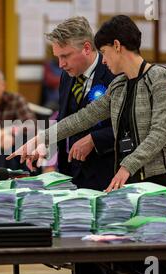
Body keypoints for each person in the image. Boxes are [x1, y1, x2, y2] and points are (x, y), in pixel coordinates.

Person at [9, 15, 166, 274]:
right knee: (133, 266)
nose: (103, 60)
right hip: (131, 183)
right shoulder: (119, 84)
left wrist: (126, 166)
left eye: (104, 52)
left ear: (117, 46)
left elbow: (161, 133)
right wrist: (41, 138)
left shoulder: (159, 77)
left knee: (161, 265)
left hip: (158, 180)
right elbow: (82, 118)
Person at [44, 17, 115, 190]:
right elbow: (64, 120)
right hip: (71, 174)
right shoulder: (67, 75)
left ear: (86, 48)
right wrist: (49, 157)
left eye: (65, 56)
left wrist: (94, 140)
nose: (61, 64)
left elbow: (129, 126)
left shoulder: (114, 72)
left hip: (107, 174)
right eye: (58, 58)